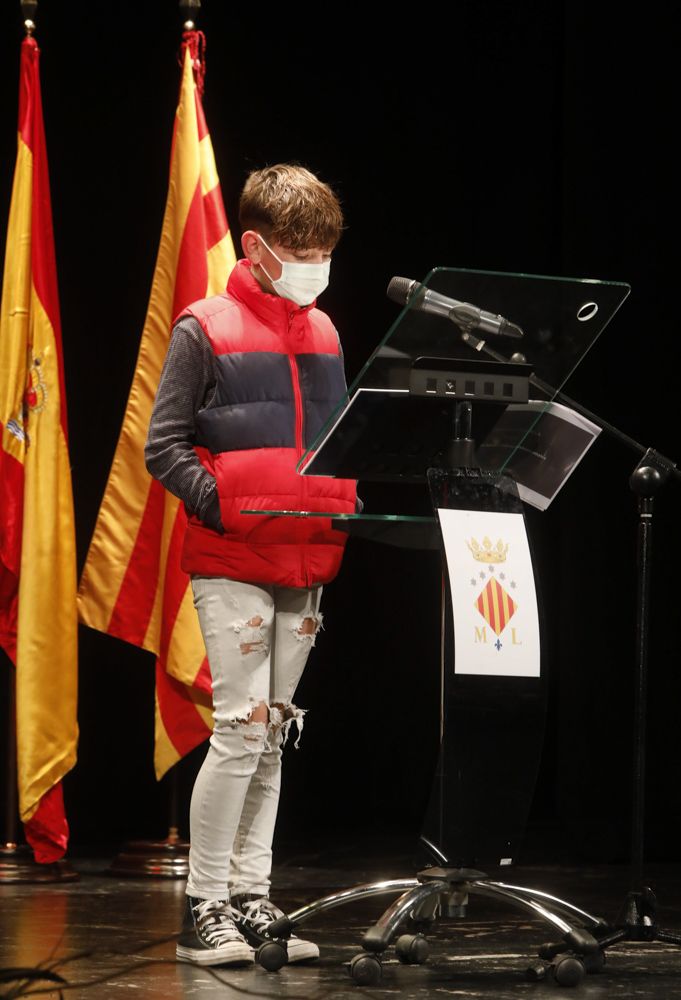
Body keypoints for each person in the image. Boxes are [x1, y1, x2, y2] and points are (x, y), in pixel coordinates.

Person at [145, 164, 357, 967]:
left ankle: (250, 894)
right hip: (233, 557)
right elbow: (161, 446)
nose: (314, 265)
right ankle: (203, 905)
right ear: (255, 246)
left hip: (306, 560)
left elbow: (331, 439)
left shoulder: (329, 331)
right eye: (300, 250)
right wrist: (225, 505)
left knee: (273, 738)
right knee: (238, 732)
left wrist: (340, 498)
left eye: (324, 251)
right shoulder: (206, 324)